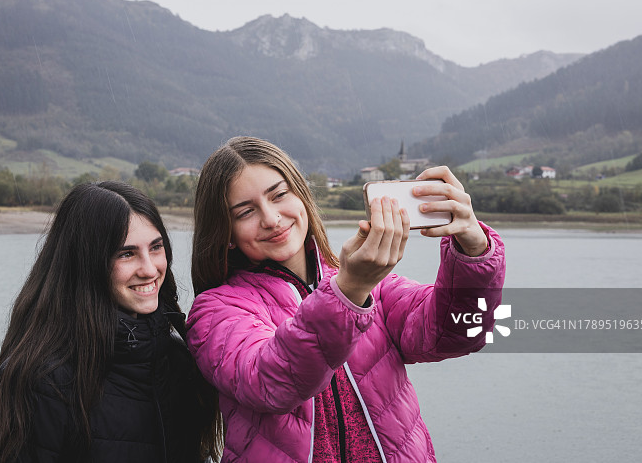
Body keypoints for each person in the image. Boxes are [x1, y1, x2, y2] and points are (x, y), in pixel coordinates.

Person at [186, 136, 505, 463]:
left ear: (302, 195)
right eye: (245, 212)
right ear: (226, 233)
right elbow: (273, 382)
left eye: (279, 195)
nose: (270, 218)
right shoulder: (214, 312)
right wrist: (349, 290)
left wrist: (474, 248)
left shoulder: (372, 289)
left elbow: (458, 333)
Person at [0, 181, 221, 463]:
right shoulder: (43, 382)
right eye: (127, 253)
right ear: (87, 262)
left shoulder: (178, 360)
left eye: (156, 247)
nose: (150, 269)